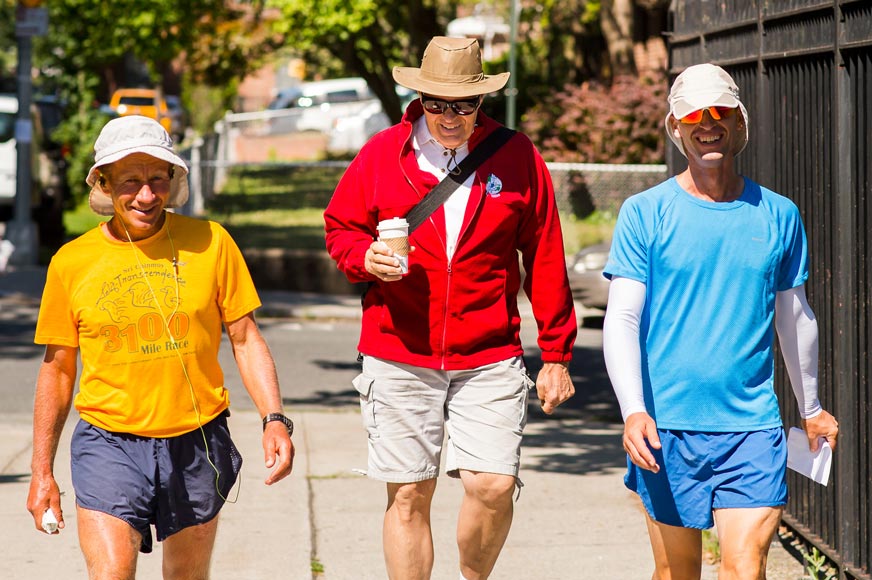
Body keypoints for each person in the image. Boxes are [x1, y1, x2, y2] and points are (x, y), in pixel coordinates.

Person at [324, 36, 577, 580]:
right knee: (410, 493)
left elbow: (546, 253)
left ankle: (472, 575)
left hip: (489, 353)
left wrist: (556, 351)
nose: (448, 116)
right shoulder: (382, 153)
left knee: (493, 486)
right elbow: (341, 229)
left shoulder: (517, 156)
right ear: (419, 98)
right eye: (436, 103)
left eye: (462, 105)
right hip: (398, 351)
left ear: (481, 102)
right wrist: (365, 258)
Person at [26, 115, 295, 579]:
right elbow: (58, 370)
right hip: (108, 441)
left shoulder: (211, 242)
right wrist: (41, 472)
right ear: (105, 185)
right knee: (112, 572)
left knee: (187, 575)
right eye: (131, 182)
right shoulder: (71, 263)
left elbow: (245, 337)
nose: (146, 195)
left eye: (157, 179)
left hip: (197, 441)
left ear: (173, 179)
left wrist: (274, 418)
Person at [602, 63, 840, 579]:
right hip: (665, 428)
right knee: (676, 573)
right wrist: (633, 411)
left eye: (720, 112)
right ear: (676, 126)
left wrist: (812, 407)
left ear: (739, 123)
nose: (707, 124)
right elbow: (621, 316)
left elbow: (795, 318)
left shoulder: (778, 215)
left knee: (743, 567)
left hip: (751, 427)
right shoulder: (646, 212)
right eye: (694, 115)